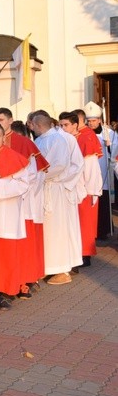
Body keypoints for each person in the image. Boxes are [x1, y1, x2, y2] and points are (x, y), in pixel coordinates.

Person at [0, 107, 49, 295]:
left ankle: (25, 278)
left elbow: (33, 174)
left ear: (10, 121)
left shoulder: (24, 143)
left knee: (22, 243)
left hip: (22, 200)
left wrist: (19, 193)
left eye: (1, 119)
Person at [30, 112, 84, 285]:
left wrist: (39, 176)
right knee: (47, 230)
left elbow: (60, 165)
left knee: (57, 230)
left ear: (38, 125)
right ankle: (49, 267)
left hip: (55, 189)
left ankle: (61, 269)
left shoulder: (58, 139)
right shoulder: (39, 140)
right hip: (45, 188)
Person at [0, 122, 32, 305]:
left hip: (8, 210)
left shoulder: (16, 158)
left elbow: (24, 184)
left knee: (7, 253)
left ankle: (7, 289)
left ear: (4, 137)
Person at [61, 110, 102, 266]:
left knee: (84, 223)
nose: (63, 128)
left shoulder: (85, 139)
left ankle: (85, 255)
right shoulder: (65, 140)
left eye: (65, 125)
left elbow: (91, 168)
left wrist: (92, 191)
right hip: (68, 188)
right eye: (61, 125)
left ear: (75, 124)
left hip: (83, 188)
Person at [84, 101, 118, 241]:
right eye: (89, 121)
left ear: (99, 120)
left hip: (104, 170)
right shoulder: (85, 133)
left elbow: (115, 152)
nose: (91, 123)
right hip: (90, 171)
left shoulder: (108, 133)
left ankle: (103, 230)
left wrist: (109, 146)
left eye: (94, 120)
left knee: (103, 201)